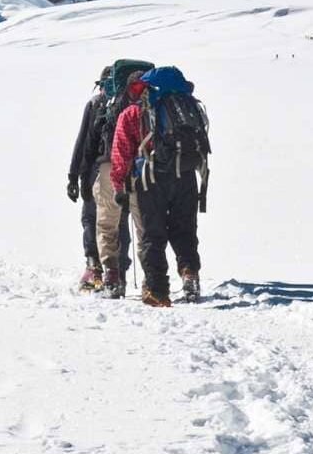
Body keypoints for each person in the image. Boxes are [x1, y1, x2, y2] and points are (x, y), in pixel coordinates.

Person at [110, 67, 210, 307]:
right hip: (185, 176)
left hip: (148, 181)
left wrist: (118, 186)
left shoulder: (132, 113)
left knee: (152, 235)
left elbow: (120, 153)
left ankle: (157, 291)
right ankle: (189, 273)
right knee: (184, 229)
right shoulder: (189, 106)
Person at [68, 67, 131, 291]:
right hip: (127, 170)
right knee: (119, 221)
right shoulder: (131, 105)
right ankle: (119, 273)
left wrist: (74, 176)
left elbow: (84, 142)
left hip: (97, 169)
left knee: (91, 218)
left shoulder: (97, 104)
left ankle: (95, 267)